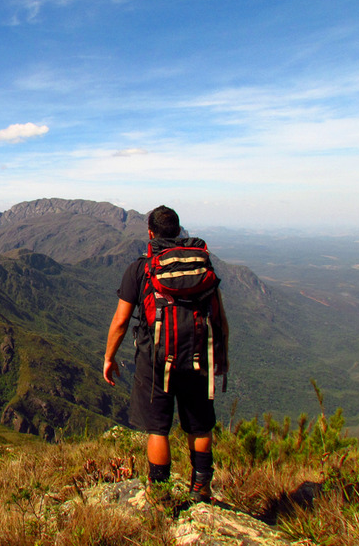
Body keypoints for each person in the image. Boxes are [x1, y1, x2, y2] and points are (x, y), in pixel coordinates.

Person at [102, 205, 229, 503]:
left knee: (158, 428)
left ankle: (159, 493)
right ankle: (201, 488)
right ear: (179, 230)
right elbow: (219, 316)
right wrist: (221, 354)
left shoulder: (141, 268)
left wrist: (109, 357)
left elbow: (121, 321)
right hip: (199, 354)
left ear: (150, 233)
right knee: (198, 424)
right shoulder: (201, 265)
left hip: (156, 360)